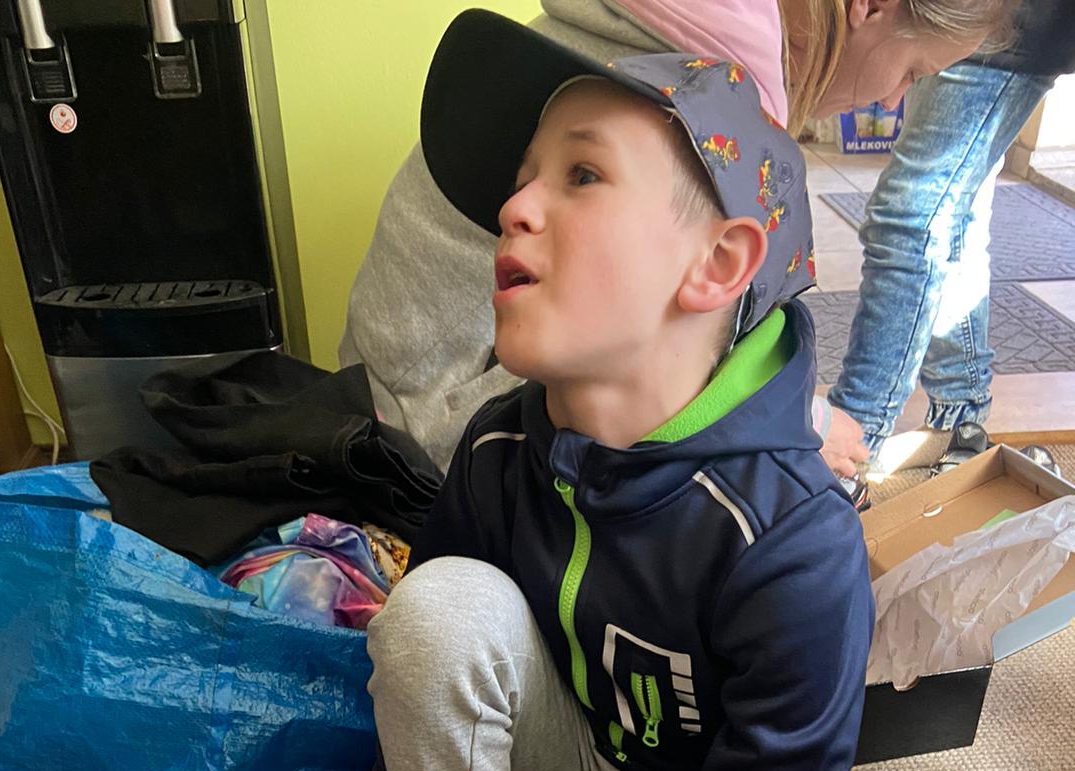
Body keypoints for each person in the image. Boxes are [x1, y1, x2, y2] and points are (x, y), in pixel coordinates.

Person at [337, 9, 874, 771]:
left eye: (582, 175)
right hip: (567, 737)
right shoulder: (498, 440)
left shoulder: (796, 547)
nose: (514, 207)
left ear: (718, 264)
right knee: (435, 609)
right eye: (525, 176)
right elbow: (422, 665)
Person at [340, 0, 1009, 475]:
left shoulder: (648, 26)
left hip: (378, 385)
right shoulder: (687, 101)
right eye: (913, 72)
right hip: (426, 442)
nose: (893, 103)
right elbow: (645, 364)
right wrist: (799, 429)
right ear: (870, 6)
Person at [825, 0, 1075, 477]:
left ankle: (849, 450)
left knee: (909, 216)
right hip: (979, 25)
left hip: (1005, 28)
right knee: (952, 215)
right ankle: (960, 419)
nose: (891, 101)